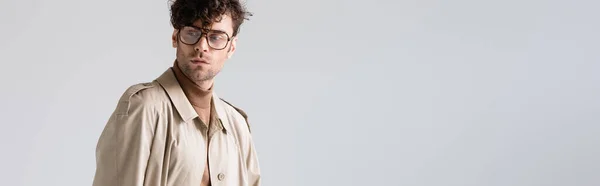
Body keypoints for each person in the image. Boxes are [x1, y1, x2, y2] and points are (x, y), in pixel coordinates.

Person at [92, 0, 260, 186]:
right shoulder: (144, 107)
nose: (202, 46)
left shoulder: (237, 124)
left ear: (232, 47)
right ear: (175, 37)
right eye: (192, 33)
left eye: (216, 37)